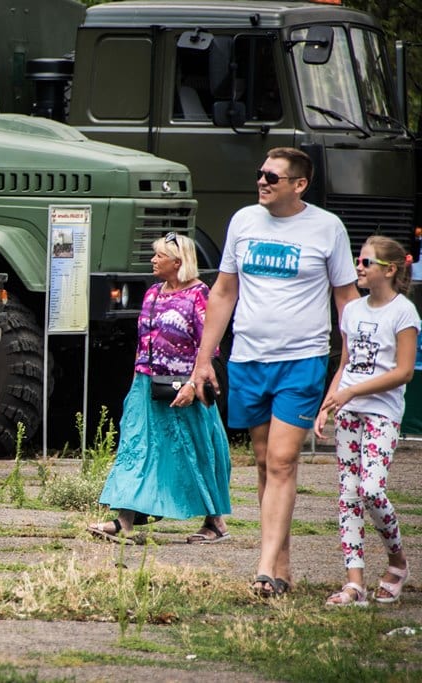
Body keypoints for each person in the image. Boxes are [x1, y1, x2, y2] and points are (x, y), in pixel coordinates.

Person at [191, 147, 359, 597]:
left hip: (301, 360)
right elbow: (224, 291)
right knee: (265, 463)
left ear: (299, 184)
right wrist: (204, 358)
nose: (262, 181)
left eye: (272, 176)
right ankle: (281, 568)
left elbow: (346, 299)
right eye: (260, 174)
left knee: (284, 460)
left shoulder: (327, 228)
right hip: (248, 358)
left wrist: (348, 364)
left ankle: (263, 567)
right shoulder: (244, 221)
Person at [88, 233, 231, 545]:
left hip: (186, 385)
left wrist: (194, 384)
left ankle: (216, 522)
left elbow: (210, 346)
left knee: (199, 451)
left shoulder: (198, 295)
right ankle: (124, 521)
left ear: (177, 263)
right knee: (136, 447)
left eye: (158, 256)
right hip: (146, 383)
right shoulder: (153, 292)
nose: (152, 260)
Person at [315, 237, 418, 606]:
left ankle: (397, 561)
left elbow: (404, 371)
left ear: (389, 270)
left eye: (366, 262)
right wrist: (329, 403)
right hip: (349, 411)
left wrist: (352, 393)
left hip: (382, 412)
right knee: (348, 495)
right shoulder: (352, 310)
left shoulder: (403, 312)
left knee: (372, 490)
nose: (358, 267)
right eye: (358, 261)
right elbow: (346, 363)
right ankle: (354, 583)